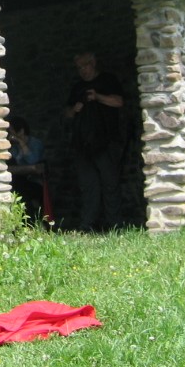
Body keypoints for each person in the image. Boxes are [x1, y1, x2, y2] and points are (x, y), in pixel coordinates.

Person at [63, 52, 125, 232]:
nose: (83, 70)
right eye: (79, 68)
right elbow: (66, 114)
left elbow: (119, 102)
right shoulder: (77, 88)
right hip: (82, 144)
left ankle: (115, 226)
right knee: (88, 186)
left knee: (110, 184)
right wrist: (74, 109)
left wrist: (98, 97)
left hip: (106, 142)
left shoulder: (107, 80)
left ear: (93, 63)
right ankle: (87, 225)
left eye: (85, 66)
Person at [6, 116, 46, 222]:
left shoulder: (35, 144)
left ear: (21, 131)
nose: (9, 135)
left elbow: (33, 162)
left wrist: (21, 143)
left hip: (34, 181)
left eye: (11, 132)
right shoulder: (13, 147)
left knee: (23, 192)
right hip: (19, 180)